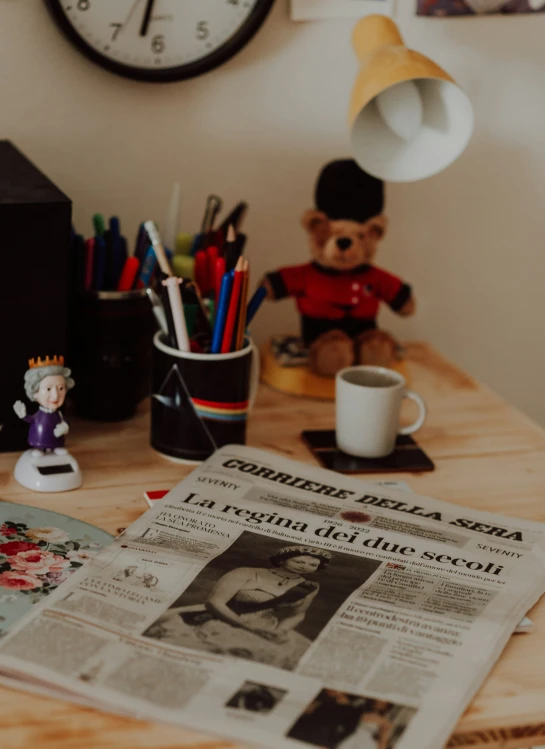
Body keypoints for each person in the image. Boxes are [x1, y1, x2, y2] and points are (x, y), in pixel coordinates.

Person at [145, 544, 331, 669]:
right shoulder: (246, 572)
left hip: (266, 626)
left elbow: (297, 615)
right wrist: (247, 628)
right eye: (299, 561)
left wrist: (281, 630)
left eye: (312, 564)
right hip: (218, 619)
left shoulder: (309, 587)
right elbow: (215, 602)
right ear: (282, 560)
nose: (304, 567)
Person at [13, 356, 75, 456]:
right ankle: (40, 448)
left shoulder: (58, 414)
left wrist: (65, 425)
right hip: (39, 440)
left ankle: (55, 447)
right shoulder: (39, 415)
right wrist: (23, 415)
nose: (55, 396)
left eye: (61, 388)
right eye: (48, 389)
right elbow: (32, 419)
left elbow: (65, 421)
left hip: (57, 441)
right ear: (35, 392)